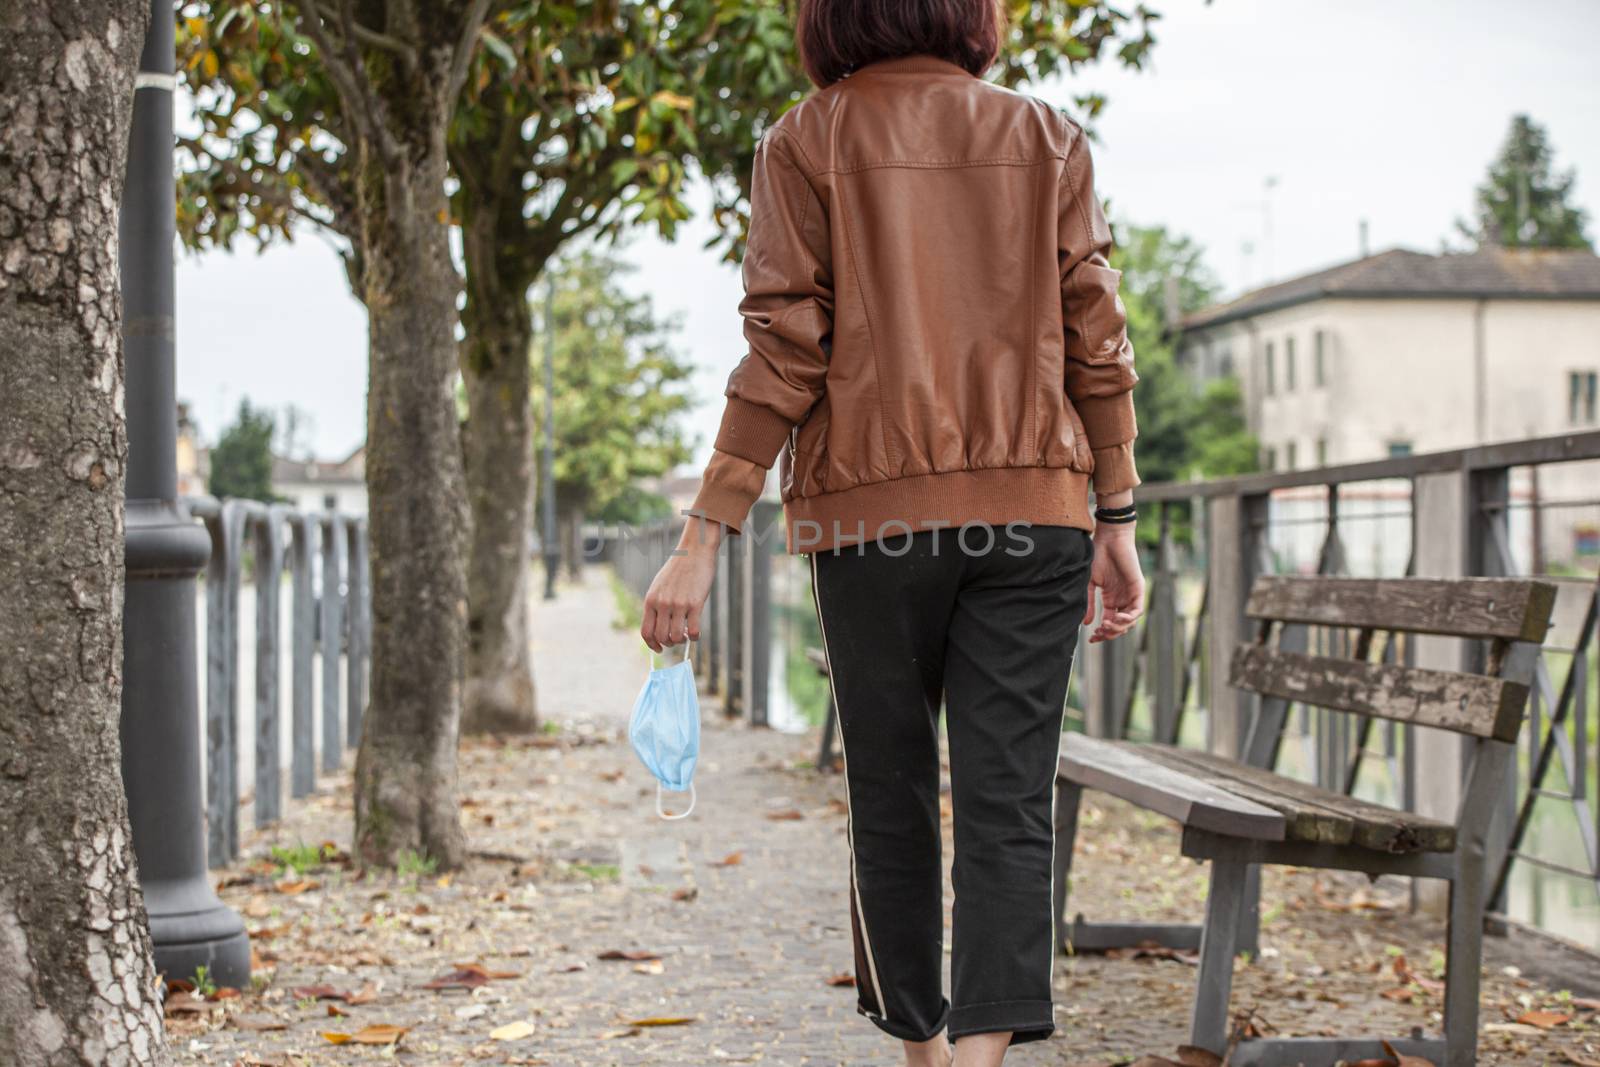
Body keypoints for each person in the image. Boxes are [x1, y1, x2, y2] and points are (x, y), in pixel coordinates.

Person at [641, 1, 1145, 1063]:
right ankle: (979, 1061)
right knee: (1009, 803)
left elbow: (785, 348)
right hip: (1035, 513)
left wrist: (704, 531)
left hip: (871, 523)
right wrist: (1117, 512)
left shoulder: (804, 138)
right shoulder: (1046, 136)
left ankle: (920, 1053)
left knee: (892, 791)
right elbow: (1095, 336)